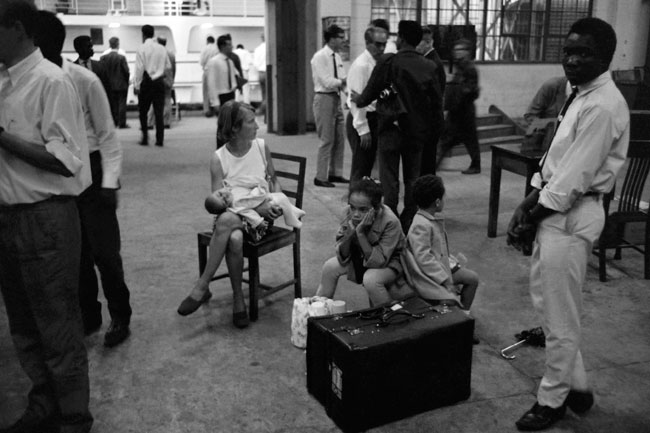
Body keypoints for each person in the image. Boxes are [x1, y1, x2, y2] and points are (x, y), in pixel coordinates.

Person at [507, 17, 630, 431]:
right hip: (554, 210)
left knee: (560, 316)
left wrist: (530, 217)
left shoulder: (601, 105)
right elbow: (555, 166)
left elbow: (573, 180)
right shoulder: (577, 93)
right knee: (548, 304)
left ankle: (552, 399)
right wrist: (528, 204)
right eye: (568, 51)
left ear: (605, 58)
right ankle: (577, 387)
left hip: (572, 215)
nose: (572, 60)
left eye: (584, 53)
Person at [0, 1, 93, 431]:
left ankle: (74, 414)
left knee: (57, 321)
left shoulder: (50, 82)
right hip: (9, 218)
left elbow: (66, 159)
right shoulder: (4, 82)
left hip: (46, 217)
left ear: (16, 28)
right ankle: (44, 402)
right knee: (23, 323)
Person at [36, 10, 133, 349]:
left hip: (93, 171)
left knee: (106, 254)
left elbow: (108, 136)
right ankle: (89, 315)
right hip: (60, 175)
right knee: (76, 256)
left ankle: (121, 315)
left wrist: (109, 183)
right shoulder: (36, 81)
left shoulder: (83, 80)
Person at [176, 101, 283, 328]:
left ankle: (203, 286)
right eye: (251, 122)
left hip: (261, 220)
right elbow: (218, 201)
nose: (257, 126)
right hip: (233, 215)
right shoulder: (219, 158)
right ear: (235, 128)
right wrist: (240, 203)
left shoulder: (261, 147)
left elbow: (273, 180)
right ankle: (237, 299)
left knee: (227, 225)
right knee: (233, 236)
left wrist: (277, 200)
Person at [352, 20, 443, 232]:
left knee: (389, 179)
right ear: (419, 40)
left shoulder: (388, 62)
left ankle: (389, 222)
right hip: (416, 134)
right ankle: (409, 220)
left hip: (390, 130)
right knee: (413, 178)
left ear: (400, 38)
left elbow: (368, 95)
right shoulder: (429, 66)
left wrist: (358, 99)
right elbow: (437, 105)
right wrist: (434, 135)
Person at [401, 175, 479, 331]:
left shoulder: (429, 219)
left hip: (443, 266)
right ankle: (452, 326)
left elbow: (438, 250)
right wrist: (444, 280)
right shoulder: (420, 225)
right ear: (437, 202)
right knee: (448, 301)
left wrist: (452, 262)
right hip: (429, 275)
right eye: (443, 197)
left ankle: (463, 317)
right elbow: (423, 258)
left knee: (472, 279)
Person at [316, 178, 405, 305]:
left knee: (370, 279)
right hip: (359, 256)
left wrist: (361, 234)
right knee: (329, 267)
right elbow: (342, 255)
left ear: (376, 208)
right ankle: (317, 310)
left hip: (390, 263)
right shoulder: (348, 213)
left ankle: (389, 317)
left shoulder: (390, 221)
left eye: (363, 210)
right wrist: (350, 235)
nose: (356, 214)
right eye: (353, 207)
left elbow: (379, 262)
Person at [346, 27, 387, 183]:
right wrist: (363, 129)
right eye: (377, 44)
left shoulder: (376, 62)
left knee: (368, 167)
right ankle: (354, 204)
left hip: (374, 118)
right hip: (363, 119)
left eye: (384, 44)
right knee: (361, 167)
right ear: (368, 43)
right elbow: (356, 99)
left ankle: (364, 203)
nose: (381, 48)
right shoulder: (362, 65)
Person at [311, 24, 348, 188]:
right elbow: (326, 82)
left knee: (340, 138)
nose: (343, 40)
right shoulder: (320, 57)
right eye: (340, 37)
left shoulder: (337, 57)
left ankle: (335, 173)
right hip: (324, 98)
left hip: (336, 97)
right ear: (331, 38)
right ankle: (320, 176)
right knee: (326, 139)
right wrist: (343, 82)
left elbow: (342, 78)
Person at [436, 38, 481, 175]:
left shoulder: (470, 69)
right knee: (447, 139)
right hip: (457, 110)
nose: (456, 52)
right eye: (455, 50)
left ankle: (475, 165)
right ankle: (437, 163)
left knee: (469, 140)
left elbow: (470, 90)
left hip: (464, 110)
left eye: (460, 49)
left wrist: (455, 87)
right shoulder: (460, 66)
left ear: (467, 52)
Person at [134, 24, 171, 147]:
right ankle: (159, 140)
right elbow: (168, 67)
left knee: (143, 111)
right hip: (159, 82)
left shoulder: (141, 48)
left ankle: (145, 138)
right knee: (158, 112)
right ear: (153, 33)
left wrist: (137, 85)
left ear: (143, 34)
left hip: (146, 82)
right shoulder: (162, 48)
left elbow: (139, 68)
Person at [417, 25, 447, 176]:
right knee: (425, 161)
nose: (415, 47)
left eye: (418, 42)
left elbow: (433, 96)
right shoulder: (428, 60)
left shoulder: (432, 63)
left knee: (427, 162)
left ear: (427, 42)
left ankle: (427, 193)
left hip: (430, 121)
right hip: (430, 120)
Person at [101, 36, 131, 128]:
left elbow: (101, 71)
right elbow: (126, 71)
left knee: (112, 104)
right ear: (117, 44)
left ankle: (114, 122)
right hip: (121, 84)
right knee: (122, 104)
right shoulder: (121, 57)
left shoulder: (103, 57)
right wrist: (127, 81)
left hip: (109, 85)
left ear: (109, 44)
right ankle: (122, 123)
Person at [206, 34, 240, 112]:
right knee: (225, 122)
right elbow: (211, 83)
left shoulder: (230, 61)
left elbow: (233, 76)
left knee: (230, 122)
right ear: (222, 47)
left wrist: (235, 87)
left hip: (231, 94)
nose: (232, 47)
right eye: (229, 45)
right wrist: (215, 102)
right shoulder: (214, 62)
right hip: (221, 96)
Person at [147, 36, 175, 128]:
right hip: (167, 79)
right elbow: (173, 68)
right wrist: (171, 79)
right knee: (167, 100)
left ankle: (150, 122)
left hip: (157, 79)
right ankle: (166, 122)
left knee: (154, 101)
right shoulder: (171, 54)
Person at [200, 35, 219, 116]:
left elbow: (201, 61)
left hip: (207, 70)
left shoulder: (204, 49)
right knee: (216, 91)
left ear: (207, 41)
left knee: (205, 91)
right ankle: (216, 109)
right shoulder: (217, 49)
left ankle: (207, 110)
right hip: (216, 71)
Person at [252, 33, 266, 115]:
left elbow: (255, 64)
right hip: (268, 72)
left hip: (260, 73)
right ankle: (261, 110)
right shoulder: (270, 47)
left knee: (263, 93)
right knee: (269, 94)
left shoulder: (257, 49)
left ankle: (263, 109)